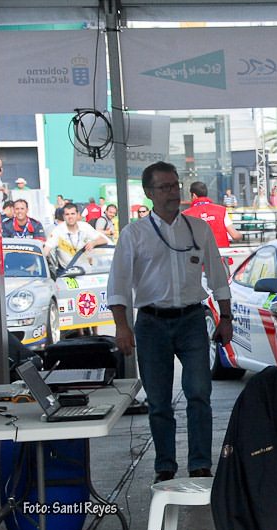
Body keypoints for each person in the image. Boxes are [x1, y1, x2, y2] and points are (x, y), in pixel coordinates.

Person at [107, 161, 233, 484]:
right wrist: (122, 326)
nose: (173, 193)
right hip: (151, 324)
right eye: (164, 187)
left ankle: (200, 465)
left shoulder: (198, 229)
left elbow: (218, 276)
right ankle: (165, 466)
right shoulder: (134, 235)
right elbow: (118, 284)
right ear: (149, 193)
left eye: (175, 186)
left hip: (192, 320)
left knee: (199, 392)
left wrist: (226, 316)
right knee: (159, 401)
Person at [43, 203, 108, 265]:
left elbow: (104, 240)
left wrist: (93, 243)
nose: (70, 217)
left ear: (78, 214)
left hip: (85, 268)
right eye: (67, 214)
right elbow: (46, 249)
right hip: (66, 270)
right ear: (63, 216)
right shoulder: (57, 230)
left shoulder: (85, 226)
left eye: (73, 214)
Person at [182, 181, 242, 248]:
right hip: (221, 252)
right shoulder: (221, 210)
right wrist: (242, 235)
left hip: (198, 253)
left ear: (194, 195)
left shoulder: (186, 214)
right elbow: (235, 235)